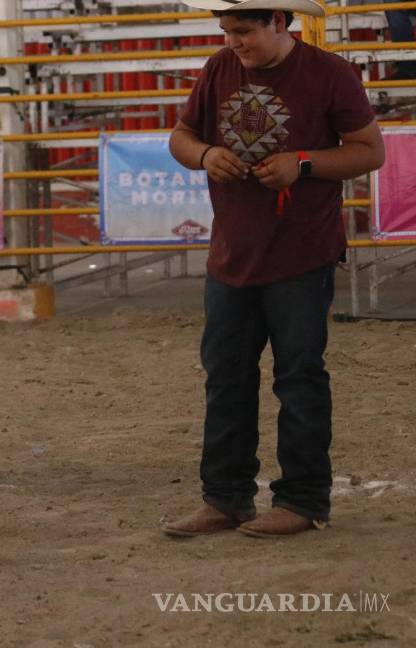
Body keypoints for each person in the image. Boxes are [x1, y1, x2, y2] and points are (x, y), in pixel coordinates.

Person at [162, 0, 384, 539]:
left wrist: (302, 163)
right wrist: (205, 154)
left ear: (279, 23)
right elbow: (181, 137)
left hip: (300, 253)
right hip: (233, 252)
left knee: (300, 377)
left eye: (244, 32)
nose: (233, 42)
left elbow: (370, 151)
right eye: (227, 31)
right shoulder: (219, 68)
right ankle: (225, 497)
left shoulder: (330, 74)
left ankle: (302, 500)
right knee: (226, 378)